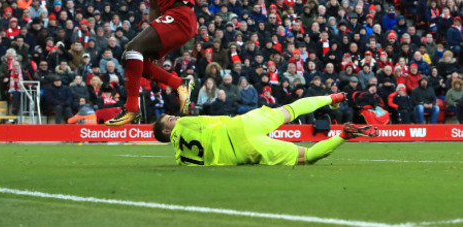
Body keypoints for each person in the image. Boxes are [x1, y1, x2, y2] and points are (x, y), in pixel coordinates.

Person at [153, 93, 379, 166]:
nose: (176, 118)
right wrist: (234, 120)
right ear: (165, 131)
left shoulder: (181, 159)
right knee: (289, 110)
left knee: (306, 157)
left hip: (243, 152)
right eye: (170, 119)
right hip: (240, 125)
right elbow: (211, 119)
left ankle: (343, 135)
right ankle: (333, 97)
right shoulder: (183, 124)